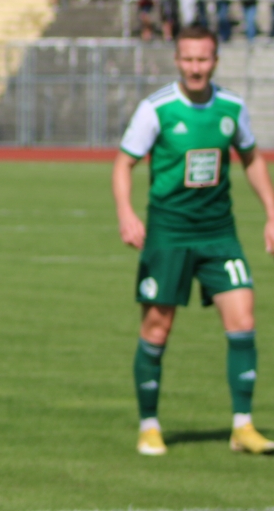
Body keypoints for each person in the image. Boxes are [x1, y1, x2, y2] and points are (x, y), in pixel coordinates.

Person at [115, 26, 274, 456]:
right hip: (168, 235)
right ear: (177, 60)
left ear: (215, 60)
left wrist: (272, 212)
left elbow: (251, 158)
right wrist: (126, 213)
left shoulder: (232, 107)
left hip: (219, 234)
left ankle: (242, 426)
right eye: (187, 59)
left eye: (202, 59)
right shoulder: (157, 109)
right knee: (157, 327)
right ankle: (149, 425)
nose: (195, 67)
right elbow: (123, 164)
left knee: (243, 319)